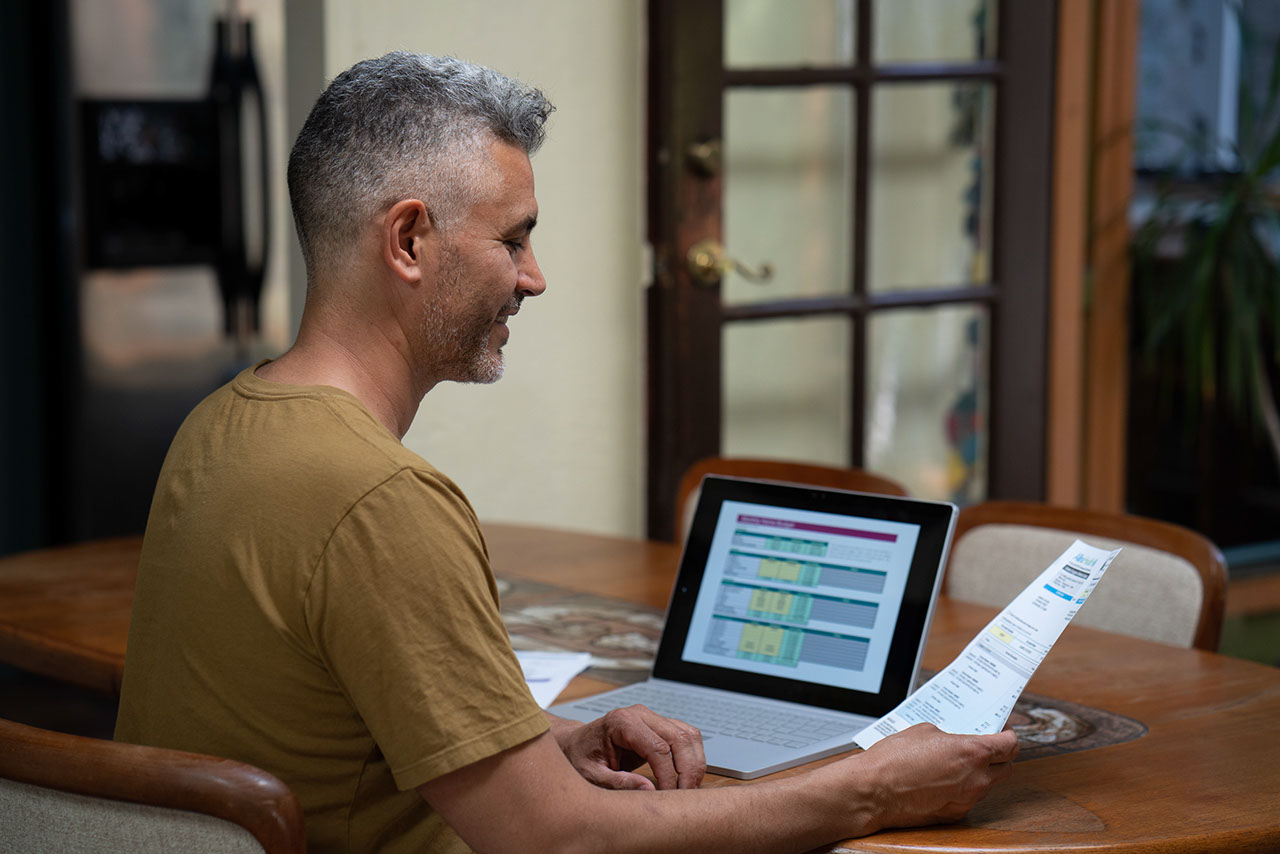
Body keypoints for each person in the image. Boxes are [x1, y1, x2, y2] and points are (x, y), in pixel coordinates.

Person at [115, 52, 1018, 854]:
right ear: (408, 240)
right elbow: (557, 836)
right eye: (513, 238)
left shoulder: (223, 424)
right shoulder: (377, 499)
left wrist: (536, 738)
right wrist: (871, 791)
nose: (534, 276)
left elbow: (322, 715)